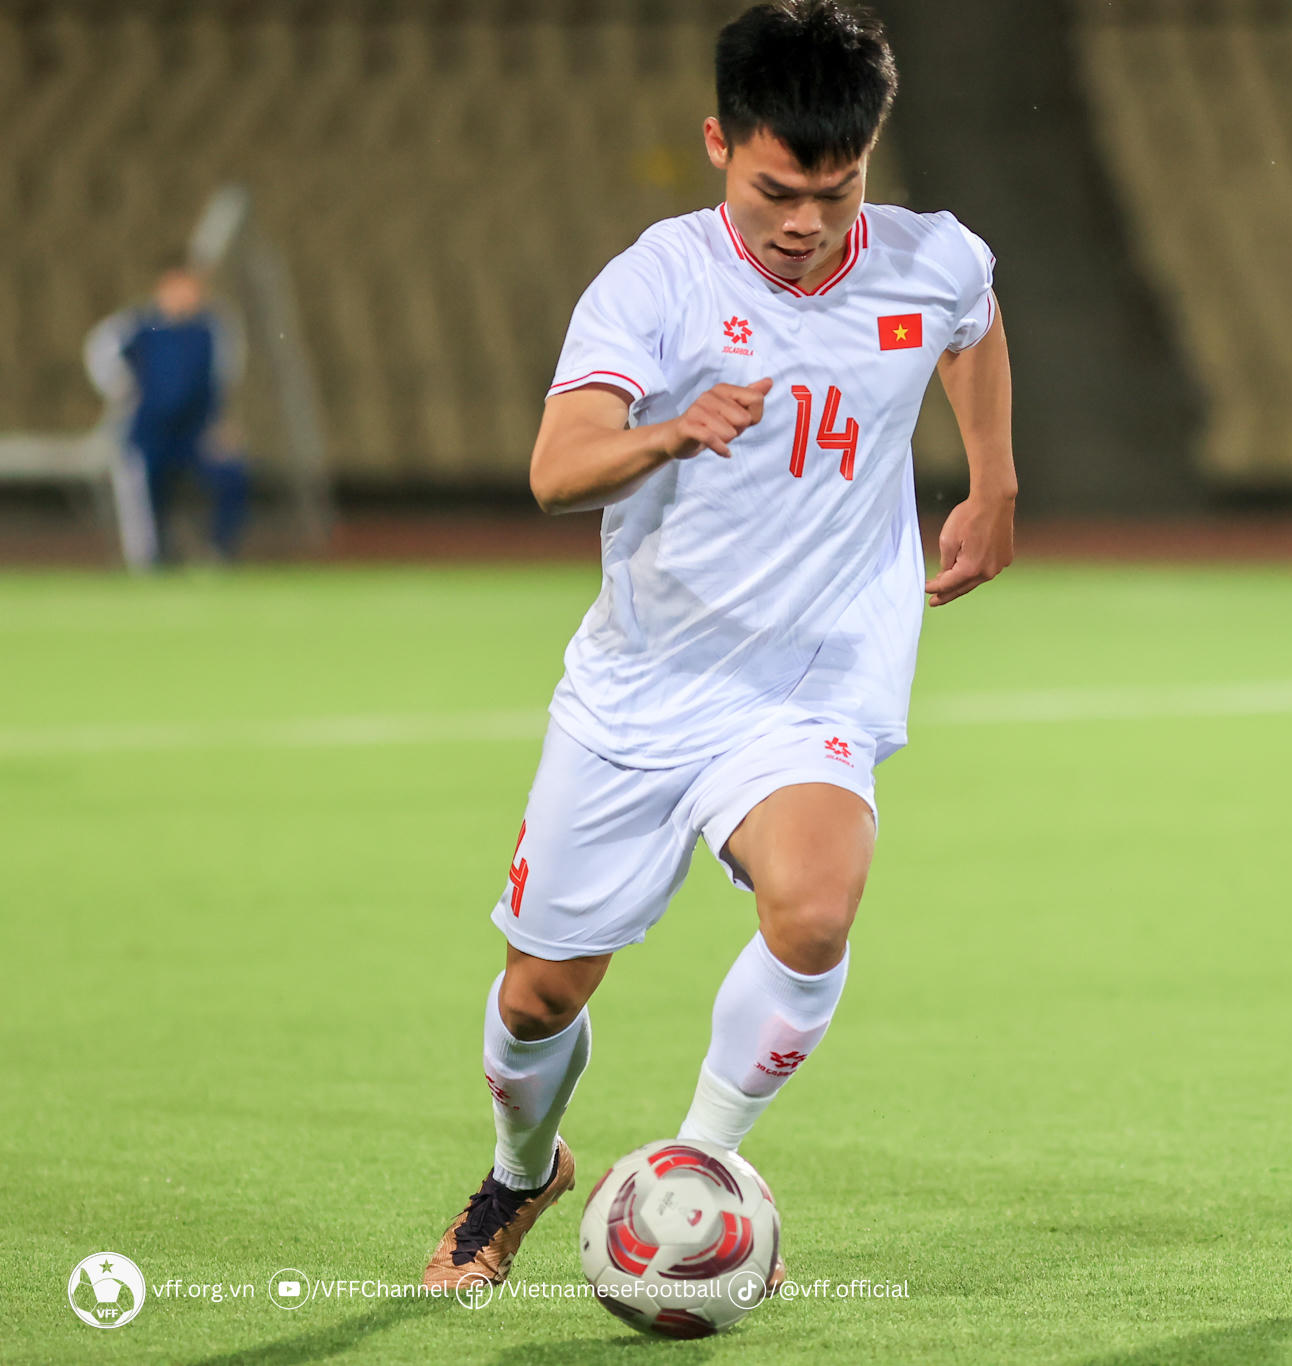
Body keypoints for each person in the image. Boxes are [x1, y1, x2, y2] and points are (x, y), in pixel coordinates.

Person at [422, 0, 1016, 1291]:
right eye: (774, 192)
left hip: (813, 674)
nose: (804, 223)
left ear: (867, 159)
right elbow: (555, 469)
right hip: (643, 684)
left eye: (834, 192)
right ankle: (523, 1170)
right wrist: (672, 428)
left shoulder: (930, 258)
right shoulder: (656, 283)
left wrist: (992, 478)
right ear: (717, 145)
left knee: (815, 905)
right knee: (537, 997)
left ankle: (693, 1171)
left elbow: (969, 322)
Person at [85, 264, 249, 563]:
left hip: (194, 433)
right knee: (143, 489)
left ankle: (216, 553)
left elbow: (222, 380)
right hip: (147, 432)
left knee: (231, 474)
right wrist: (123, 390)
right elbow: (101, 355)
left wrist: (220, 423)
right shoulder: (138, 326)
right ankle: (150, 561)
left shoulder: (212, 329)